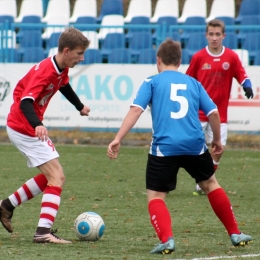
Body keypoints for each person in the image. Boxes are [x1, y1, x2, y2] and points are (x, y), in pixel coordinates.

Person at [107, 39, 252, 254]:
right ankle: (235, 232)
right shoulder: (193, 83)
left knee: (156, 196)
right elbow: (213, 113)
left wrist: (118, 138)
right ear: (180, 61)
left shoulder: (152, 82)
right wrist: (217, 141)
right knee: (211, 184)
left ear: (158, 60)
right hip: (195, 144)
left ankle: (167, 239)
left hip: (165, 148)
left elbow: (136, 110)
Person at [0, 27, 91, 244]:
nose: (82, 58)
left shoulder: (61, 68)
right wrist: (37, 124)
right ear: (67, 51)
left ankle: (6, 206)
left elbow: (64, 86)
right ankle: (43, 232)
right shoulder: (46, 71)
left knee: (53, 175)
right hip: (24, 127)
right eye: (79, 53)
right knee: (57, 177)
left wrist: (79, 106)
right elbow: (25, 101)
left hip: (23, 127)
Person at [186, 19, 254, 195]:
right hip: (198, 114)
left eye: (218, 34)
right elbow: (188, 81)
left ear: (223, 36)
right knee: (190, 148)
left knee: (218, 150)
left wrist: (247, 85)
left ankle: (202, 183)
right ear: (206, 35)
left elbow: (242, 75)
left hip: (220, 114)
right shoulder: (199, 57)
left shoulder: (231, 57)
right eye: (211, 34)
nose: (214, 38)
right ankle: (178, 178)